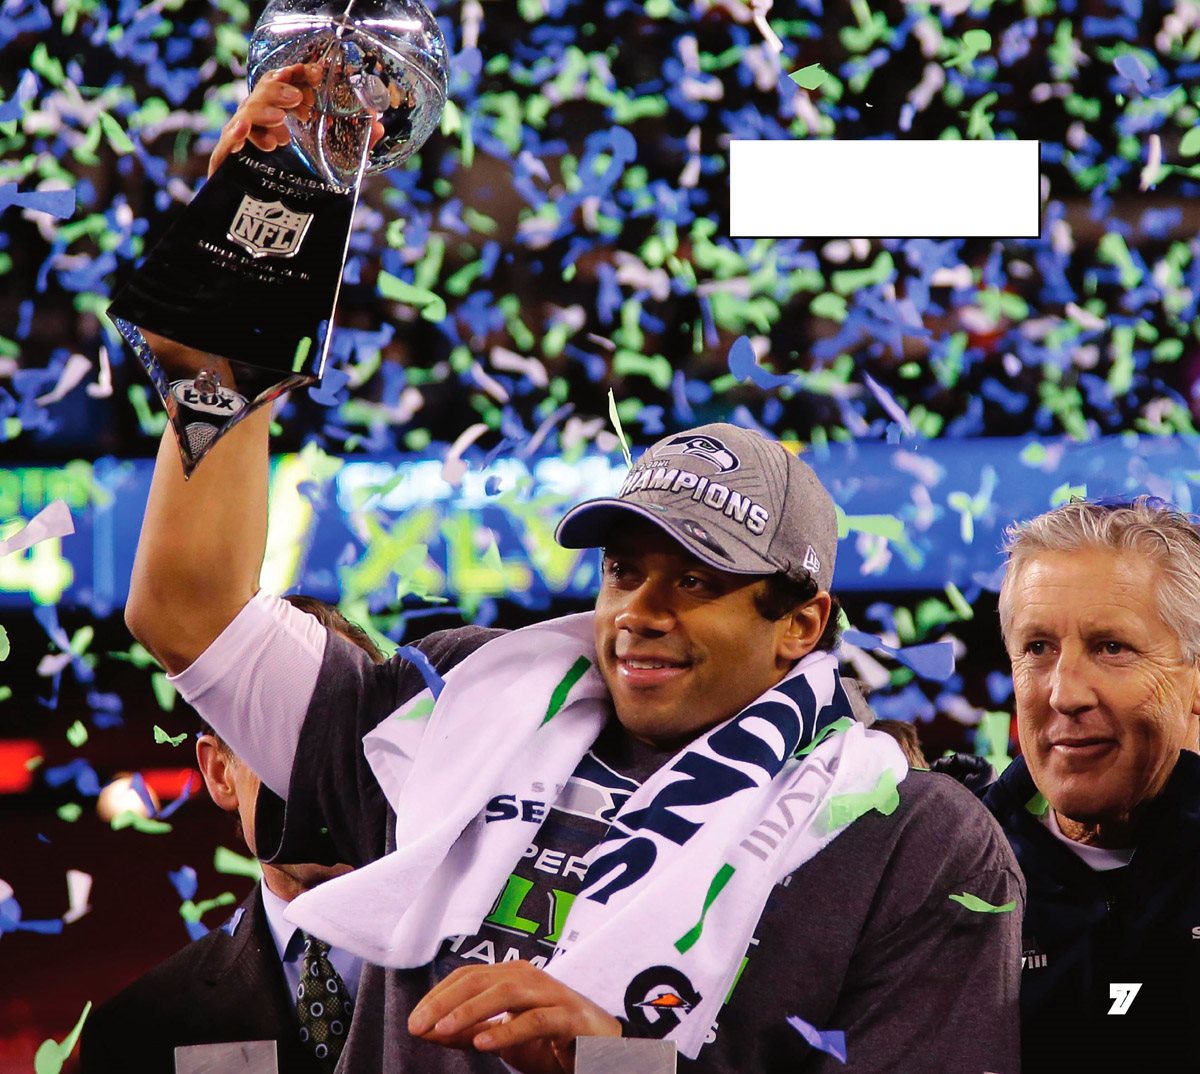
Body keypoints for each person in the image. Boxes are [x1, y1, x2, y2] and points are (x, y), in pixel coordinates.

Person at [122, 68, 1023, 1074]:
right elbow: (186, 612)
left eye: (695, 580)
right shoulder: (459, 700)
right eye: (625, 572)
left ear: (801, 625)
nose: (639, 610)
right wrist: (228, 352)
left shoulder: (910, 836)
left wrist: (614, 1064)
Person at [81, 598, 384, 1074]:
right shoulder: (135, 1033)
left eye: (348, 731)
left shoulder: (508, 981)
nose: (318, 774)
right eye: (283, 734)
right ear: (220, 772)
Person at [983, 497, 1200, 1072]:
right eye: (1038, 649)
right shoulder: (944, 875)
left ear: (1196, 681)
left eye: (1111, 647)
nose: (1064, 693)